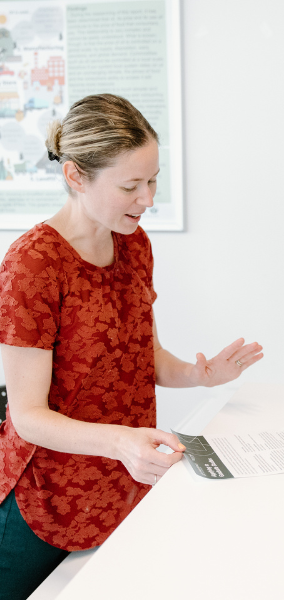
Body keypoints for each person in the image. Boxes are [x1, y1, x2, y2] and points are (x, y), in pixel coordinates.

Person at [0, 94, 263, 600]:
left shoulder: (135, 244)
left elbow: (145, 357)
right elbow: (28, 416)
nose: (147, 199)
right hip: (45, 495)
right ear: (76, 175)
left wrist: (200, 375)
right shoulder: (32, 265)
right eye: (130, 186)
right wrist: (121, 441)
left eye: (153, 180)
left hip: (124, 480)